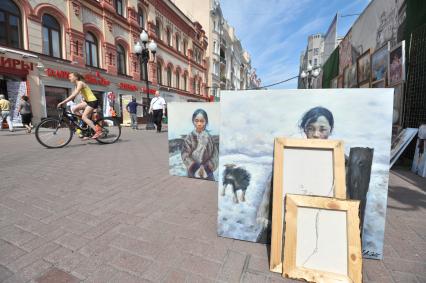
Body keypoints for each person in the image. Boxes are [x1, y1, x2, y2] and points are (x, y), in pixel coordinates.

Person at [57, 72, 102, 139]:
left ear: (76, 77)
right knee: (74, 109)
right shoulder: (77, 85)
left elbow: (74, 95)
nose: (69, 78)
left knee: (84, 117)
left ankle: (98, 131)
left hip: (92, 101)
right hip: (87, 102)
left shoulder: (80, 83)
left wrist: (63, 102)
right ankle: (85, 124)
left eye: (70, 76)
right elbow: (73, 95)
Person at [181, 109, 218, 181]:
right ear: (193, 121)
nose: (199, 124)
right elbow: (184, 154)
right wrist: (195, 167)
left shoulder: (209, 137)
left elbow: (215, 154)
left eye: (202, 121)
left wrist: (207, 167)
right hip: (192, 170)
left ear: (206, 121)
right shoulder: (190, 137)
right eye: (196, 121)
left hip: (207, 171)